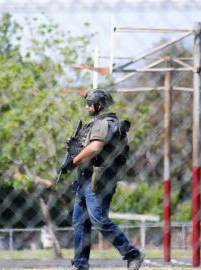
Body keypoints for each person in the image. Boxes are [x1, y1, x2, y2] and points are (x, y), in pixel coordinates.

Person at [61, 89, 145, 270]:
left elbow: (95, 147)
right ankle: (80, 264)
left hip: (98, 181)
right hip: (85, 179)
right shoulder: (96, 124)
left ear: (99, 105)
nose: (86, 107)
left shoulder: (106, 123)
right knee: (80, 222)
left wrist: (73, 162)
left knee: (98, 219)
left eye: (89, 104)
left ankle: (133, 254)